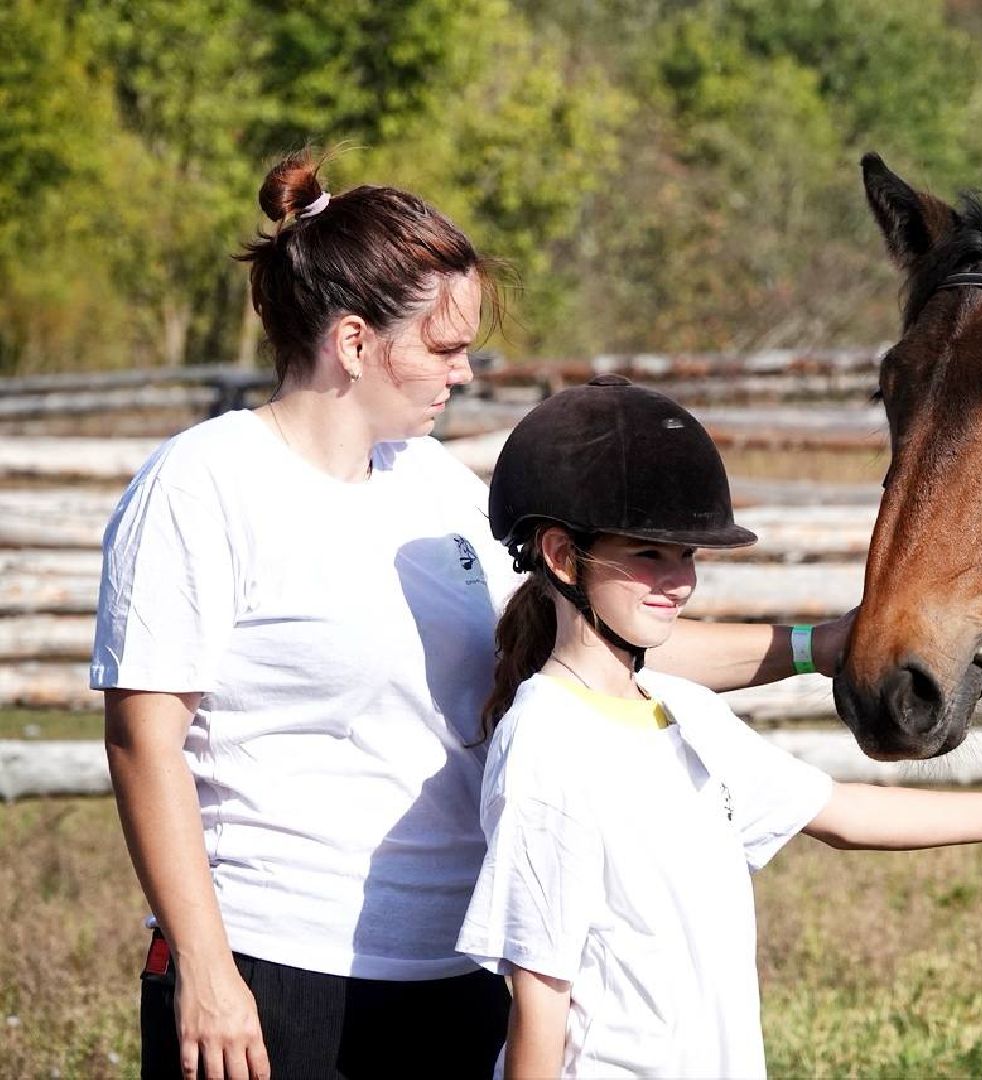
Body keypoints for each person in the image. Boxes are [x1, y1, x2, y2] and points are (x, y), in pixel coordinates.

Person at [92, 153, 850, 1080]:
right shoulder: (203, 484)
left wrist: (820, 647)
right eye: (445, 346)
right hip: (276, 968)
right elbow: (143, 742)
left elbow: (598, 650)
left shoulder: (434, 485)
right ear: (355, 342)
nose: (464, 371)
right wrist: (208, 972)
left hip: (456, 971)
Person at [456, 377, 982, 1078]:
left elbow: (843, 813)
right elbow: (540, 1000)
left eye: (687, 557)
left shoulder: (682, 712)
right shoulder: (546, 747)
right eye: (649, 554)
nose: (678, 583)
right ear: (562, 557)